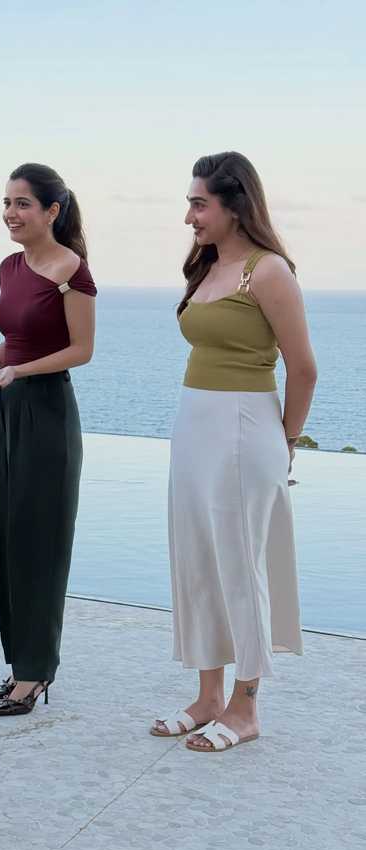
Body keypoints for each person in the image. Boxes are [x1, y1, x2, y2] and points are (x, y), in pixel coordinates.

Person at [151, 151, 317, 752]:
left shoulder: (267, 272)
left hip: (245, 430)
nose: (189, 217)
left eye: (199, 205)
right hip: (195, 428)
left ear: (236, 206)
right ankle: (208, 696)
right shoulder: (208, 267)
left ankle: (246, 707)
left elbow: (303, 368)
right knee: (197, 560)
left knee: (241, 567)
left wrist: (286, 440)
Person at [0, 164, 96, 717]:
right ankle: (19, 663)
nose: (11, 214)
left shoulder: (73, 271)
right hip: (6, 408)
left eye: (22, 203)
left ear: (52, 211)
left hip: (47, 413)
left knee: (41, 542)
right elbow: (15, 336)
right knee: (7, 536)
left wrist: (17, 372)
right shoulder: (10, 267)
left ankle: (37, 670)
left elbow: (81, 350)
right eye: (6, 203)